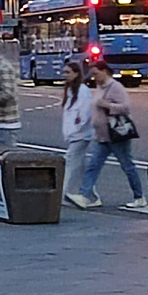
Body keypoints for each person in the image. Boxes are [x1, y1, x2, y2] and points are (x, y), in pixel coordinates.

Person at [67, 62, 147, 210]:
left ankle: (139, 197)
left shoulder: (115, 87)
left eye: (96, 73)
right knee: (93, 165)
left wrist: (107, 105)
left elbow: (126, 107)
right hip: (102, 136)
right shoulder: (100, 87)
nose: (94, 77)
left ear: (105, 71)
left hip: (116, 135)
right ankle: (85, 196)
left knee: (127, 166)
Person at [60, 61, 92, 199]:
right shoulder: (69, 90)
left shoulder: (83, 90)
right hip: (75, 134)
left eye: (68, 72)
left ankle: (60, 194)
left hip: (81, 134)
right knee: (82, 167)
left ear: (77, 73)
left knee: (69, 161)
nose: (65, 75)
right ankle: (91, 195)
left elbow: (84, 113)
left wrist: (76, 129)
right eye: (64, 72)